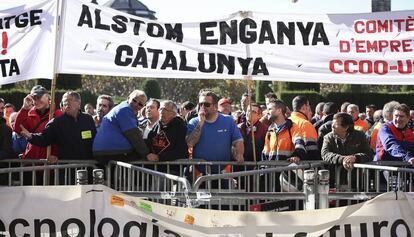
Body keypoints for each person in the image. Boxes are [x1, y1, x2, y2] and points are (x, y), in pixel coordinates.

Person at [19, 91, 96, 161]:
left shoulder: (88, 119)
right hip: (66, 168)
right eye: (64, 101)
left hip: (87, 166)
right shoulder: (57, 122)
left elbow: (94, 139)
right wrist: (30, 136)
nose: (66, 103)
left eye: (70, 100)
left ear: (79, 104)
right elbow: (44, 138)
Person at [186, 90, 244, 174]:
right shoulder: (193, 122)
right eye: (200, 104)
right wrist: (200, 123)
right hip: (199, 171)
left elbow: (238, 140)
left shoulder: (228, 120)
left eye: (206, 104)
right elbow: (190, 143)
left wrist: (239, 154)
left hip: (222, 171)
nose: (202, 107)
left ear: (215, 106)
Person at [93, 90, 151, 164]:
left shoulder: (122, 108)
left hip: (105, 152)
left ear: (143, 107)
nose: (136, 104)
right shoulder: (125, 109)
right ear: (128, 98)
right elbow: (133, 135)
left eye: (140, 104)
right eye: (134, 100)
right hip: (110, 153)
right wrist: (147, 154)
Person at [321, 112, 372, 190]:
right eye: (332, 123)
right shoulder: (328, 137)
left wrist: (355, 158)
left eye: (336, 124)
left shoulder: (360, 136)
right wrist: (342, 159)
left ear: (346, 127)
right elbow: (325, 154)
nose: (332, 126)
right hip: (335, 180)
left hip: (357, 180)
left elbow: (368, 153)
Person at [13, 85, 63, 160]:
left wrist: (57, 155)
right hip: (31, 162)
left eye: (39, 97)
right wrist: (24, 108)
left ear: (48, 97)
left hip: (50, 163)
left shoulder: (58, 114)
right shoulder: (28, 114)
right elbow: (17, 130)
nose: (36, 101)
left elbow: (63, 139)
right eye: (34, 98)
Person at [146, 100, 188, 172]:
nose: (162, 112)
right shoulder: (156, 126)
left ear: (173, 113)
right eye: (160, 109)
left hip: (172, 171)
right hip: (154, 170)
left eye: (165, 109)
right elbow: (149, 143)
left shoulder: (180, 127)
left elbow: (181, 151)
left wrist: (159, 157)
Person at [290, 95, 320, 160]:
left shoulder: (286, 122)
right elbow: (312, 151)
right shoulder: (305, 124)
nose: (311, 111)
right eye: (308, 105)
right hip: (302, 166)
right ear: (304, 107)